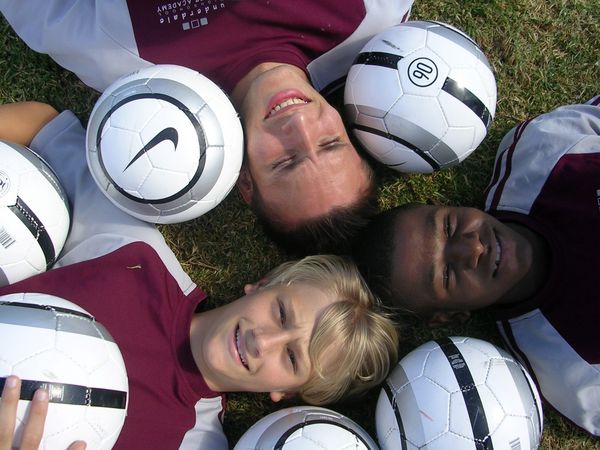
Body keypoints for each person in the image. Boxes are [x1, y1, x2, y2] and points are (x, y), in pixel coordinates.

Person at [0, 101, 400, 449]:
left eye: (292, 357)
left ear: (288, 392)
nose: (264, 341)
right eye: (281, 313)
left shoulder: (193, 441)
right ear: (263, 285)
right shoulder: (138, 260)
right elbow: (43, 128)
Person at [0, 0, 414, 254]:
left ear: (246, 181)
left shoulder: (131, 66)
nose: (300, 126)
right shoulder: (369, 15)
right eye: (329, 143)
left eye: (286, 162)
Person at [352, 96, 600, 436]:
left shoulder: (543, 152)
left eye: (450, 227)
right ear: (450, 316)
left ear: (444, 204)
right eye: (447, 274)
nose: (473, 248)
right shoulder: (567, 372)